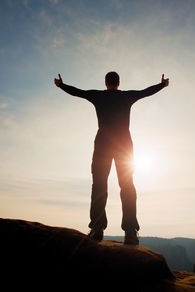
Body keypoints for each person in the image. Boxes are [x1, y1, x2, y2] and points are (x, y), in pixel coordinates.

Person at [54, 72, 169, 245]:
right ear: (118, 82)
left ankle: (97, 228)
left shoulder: (98, 95)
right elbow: (146, 92)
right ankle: (130, 231)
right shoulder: (126, 96)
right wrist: (162, 85)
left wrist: (61, 85)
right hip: (124, 145)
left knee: (99, 184)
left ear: (105, 82)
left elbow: (78, 92)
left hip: (103, 144)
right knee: (127, 185)